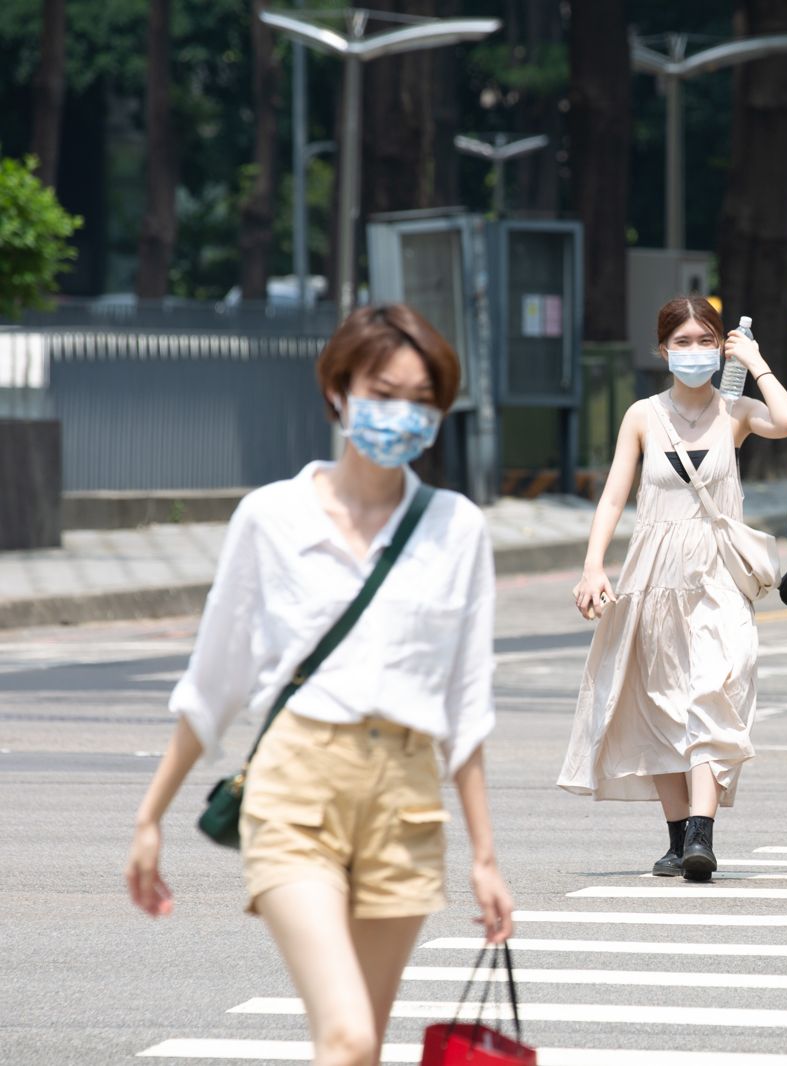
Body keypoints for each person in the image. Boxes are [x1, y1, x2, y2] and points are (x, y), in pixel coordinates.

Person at [124, 304, 515, 1066]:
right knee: (344, 1036)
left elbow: (466, 704)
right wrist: (150, 817)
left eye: (420, 399)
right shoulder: (270, 517)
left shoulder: (457, 527)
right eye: (382, 390)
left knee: (360, 1047)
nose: (399, 414)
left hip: (405, 801)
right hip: (294, 790)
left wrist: (486, 857)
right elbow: (215, 682)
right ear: (338, 390)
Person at [561, 296, 787, 882]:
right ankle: (677, 838)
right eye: (682, 342)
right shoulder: (643, 415)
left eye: (705, 341)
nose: (694, 353)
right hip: (653, 576)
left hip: (718, 575)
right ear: (662, 349)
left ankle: (703, 834)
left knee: (716, 690)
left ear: (722, 347)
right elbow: (615, 495)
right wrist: (594, 566)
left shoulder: (736, 412)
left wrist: (758, 362)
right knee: (661, 704)